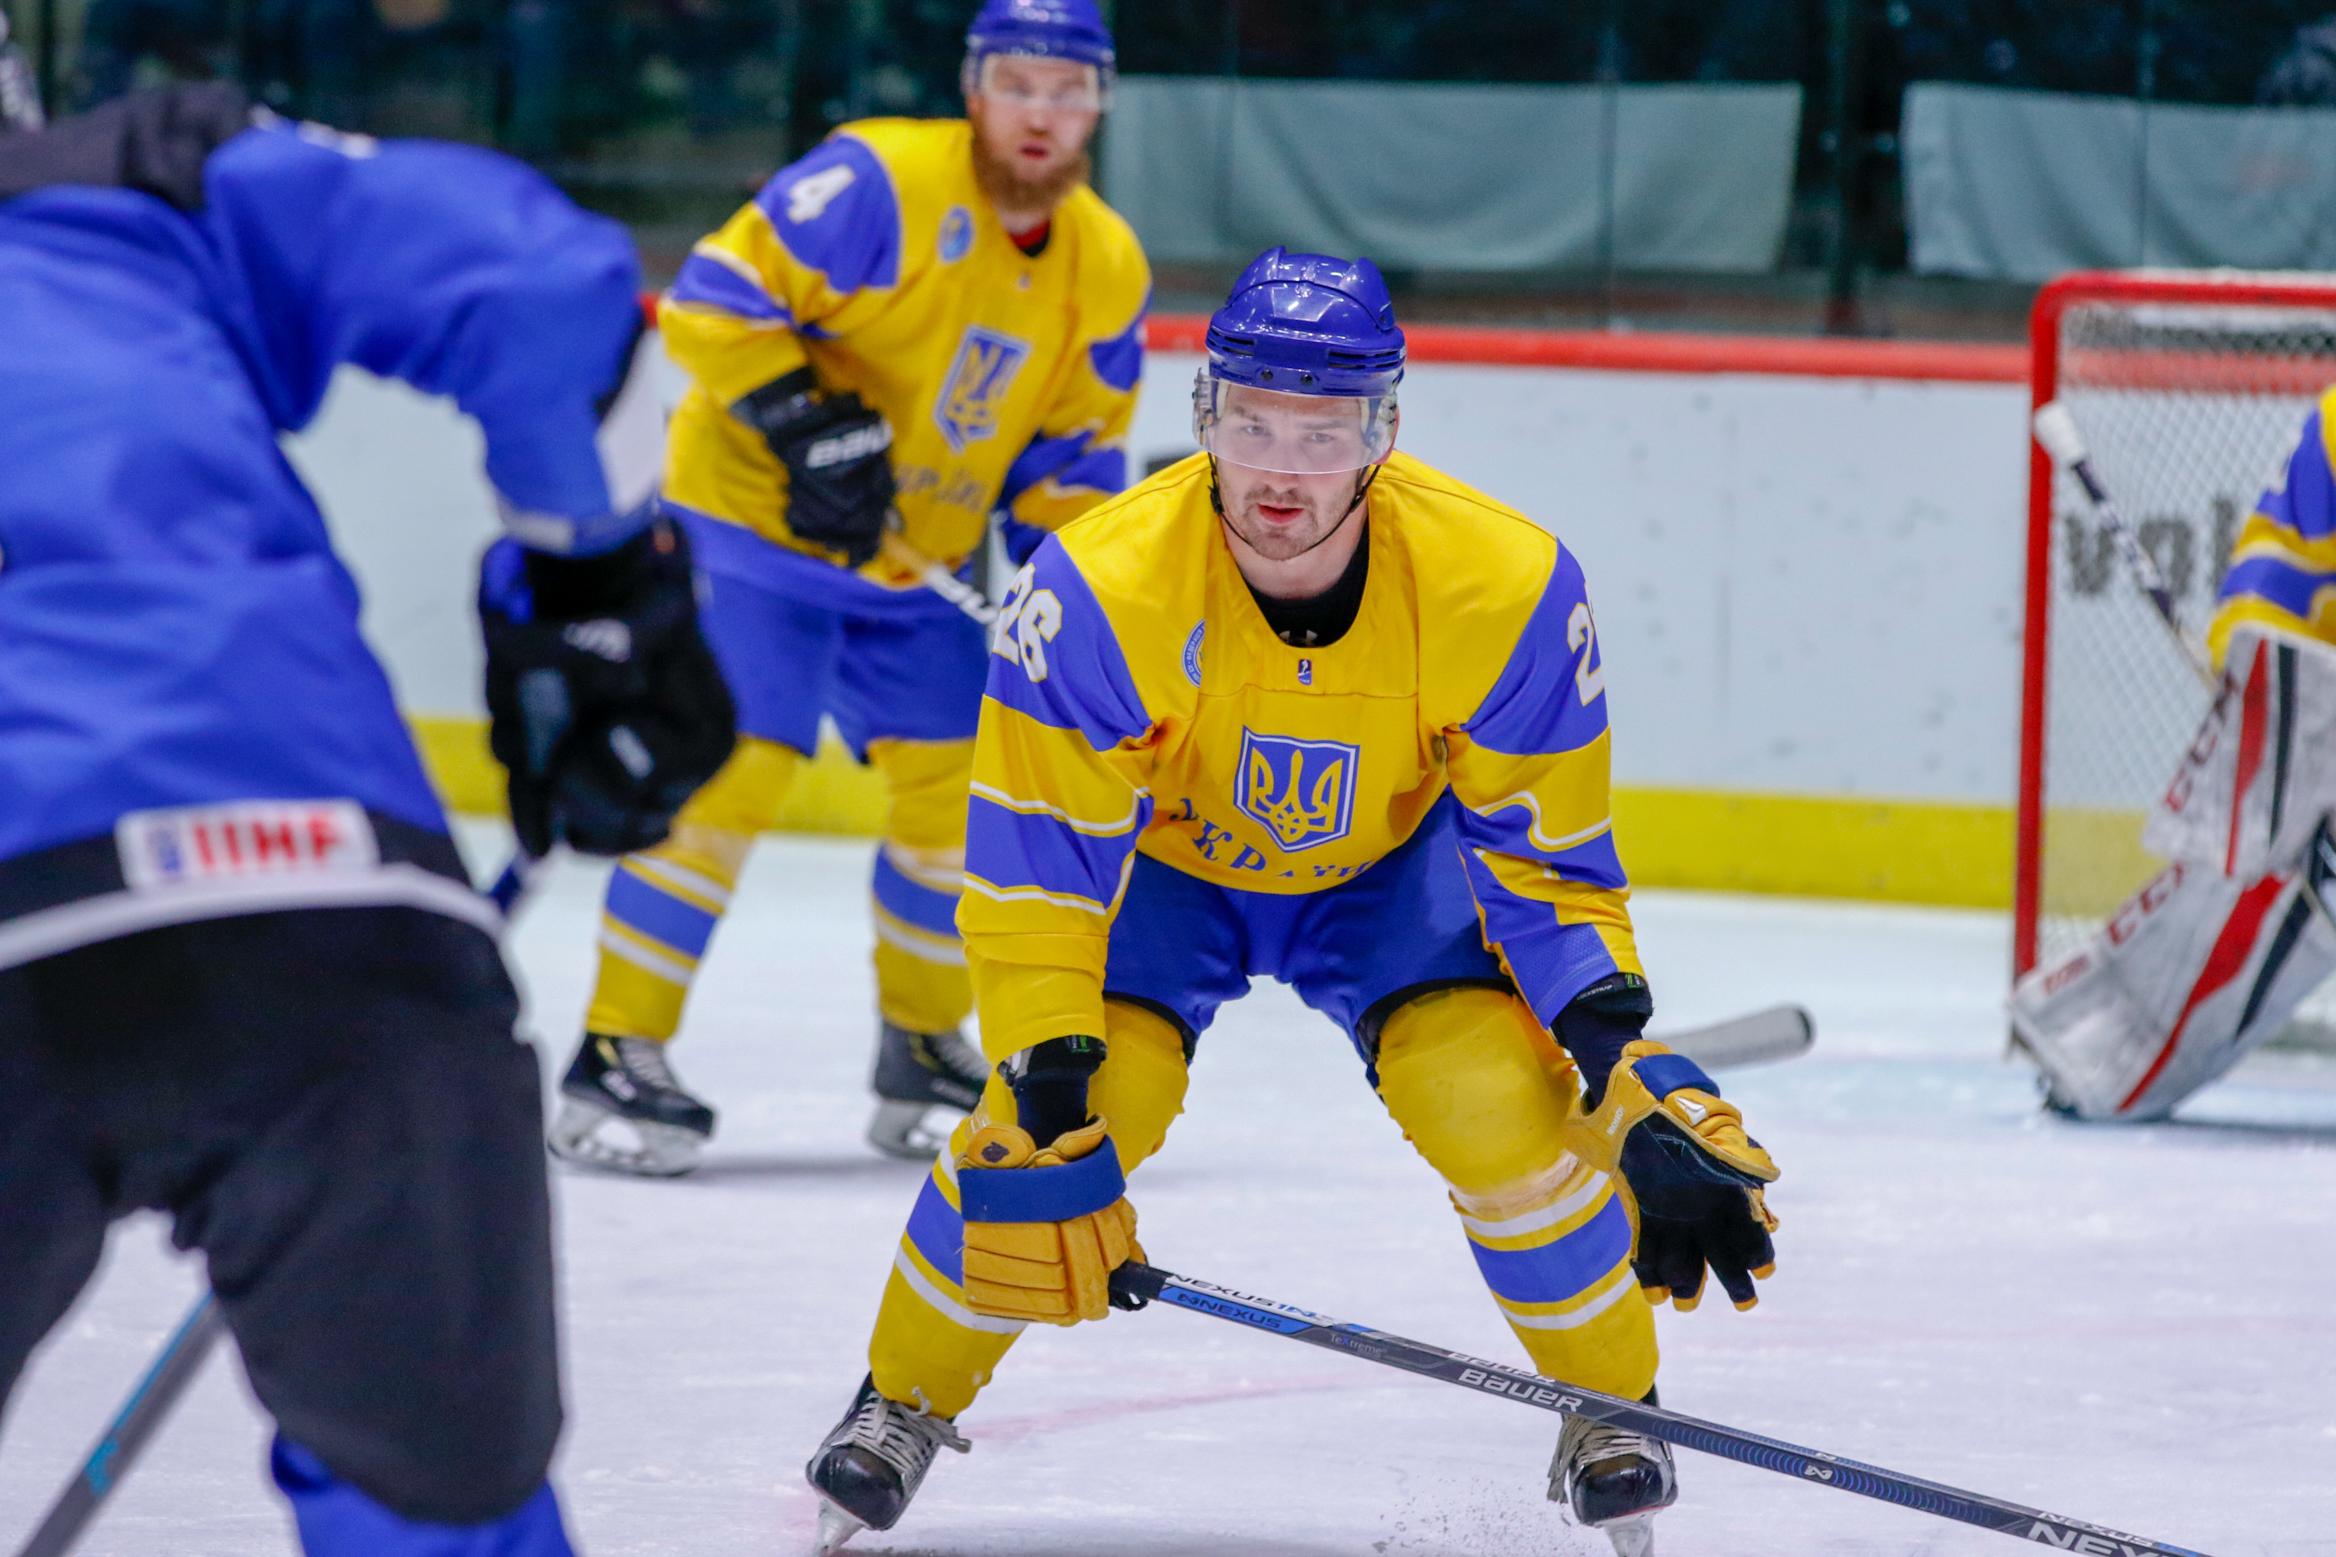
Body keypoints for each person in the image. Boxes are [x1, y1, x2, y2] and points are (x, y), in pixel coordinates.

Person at [801, 250, 1782, 1557]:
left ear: (1382, 431)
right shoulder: (1097, 586)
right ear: (1204, 412)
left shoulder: (1508, 584)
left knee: (1494, 1104)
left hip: (1387, 882)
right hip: (1166, 880)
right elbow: (1038, 872)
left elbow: (1545, 865)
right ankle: (900, 1402)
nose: (1279, 466)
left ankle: (1613, 1407)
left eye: (1320, 431)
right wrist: (1045, 1101)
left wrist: (1617, 1062)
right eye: (1251, 419)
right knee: (1065, 1119)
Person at [0, 85, 735, 1554]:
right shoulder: (127, 187)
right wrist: (594, 598)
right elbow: (528, 280)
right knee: (446, 1512)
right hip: (326, 898)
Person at [550, 0, 1151, 1175]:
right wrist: (803, 419)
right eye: (1019, 83)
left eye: (1068, 90)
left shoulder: (1106, 264)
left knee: (957, 804)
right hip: (749, 537)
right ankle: (615, 1051)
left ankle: (920, 1046)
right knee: (728, 780)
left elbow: (1074, 455)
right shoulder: (880, 178)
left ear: (1099, 107)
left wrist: (1065, 593)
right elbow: (714, 298)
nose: (1041, 113)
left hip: (909, 570)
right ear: (974, 89)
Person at [2012, 389, 2336, 1120]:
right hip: (2307, 664)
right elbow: (2281, 565)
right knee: (2273, 881)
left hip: (2298, 657)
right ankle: (2103, 1049)